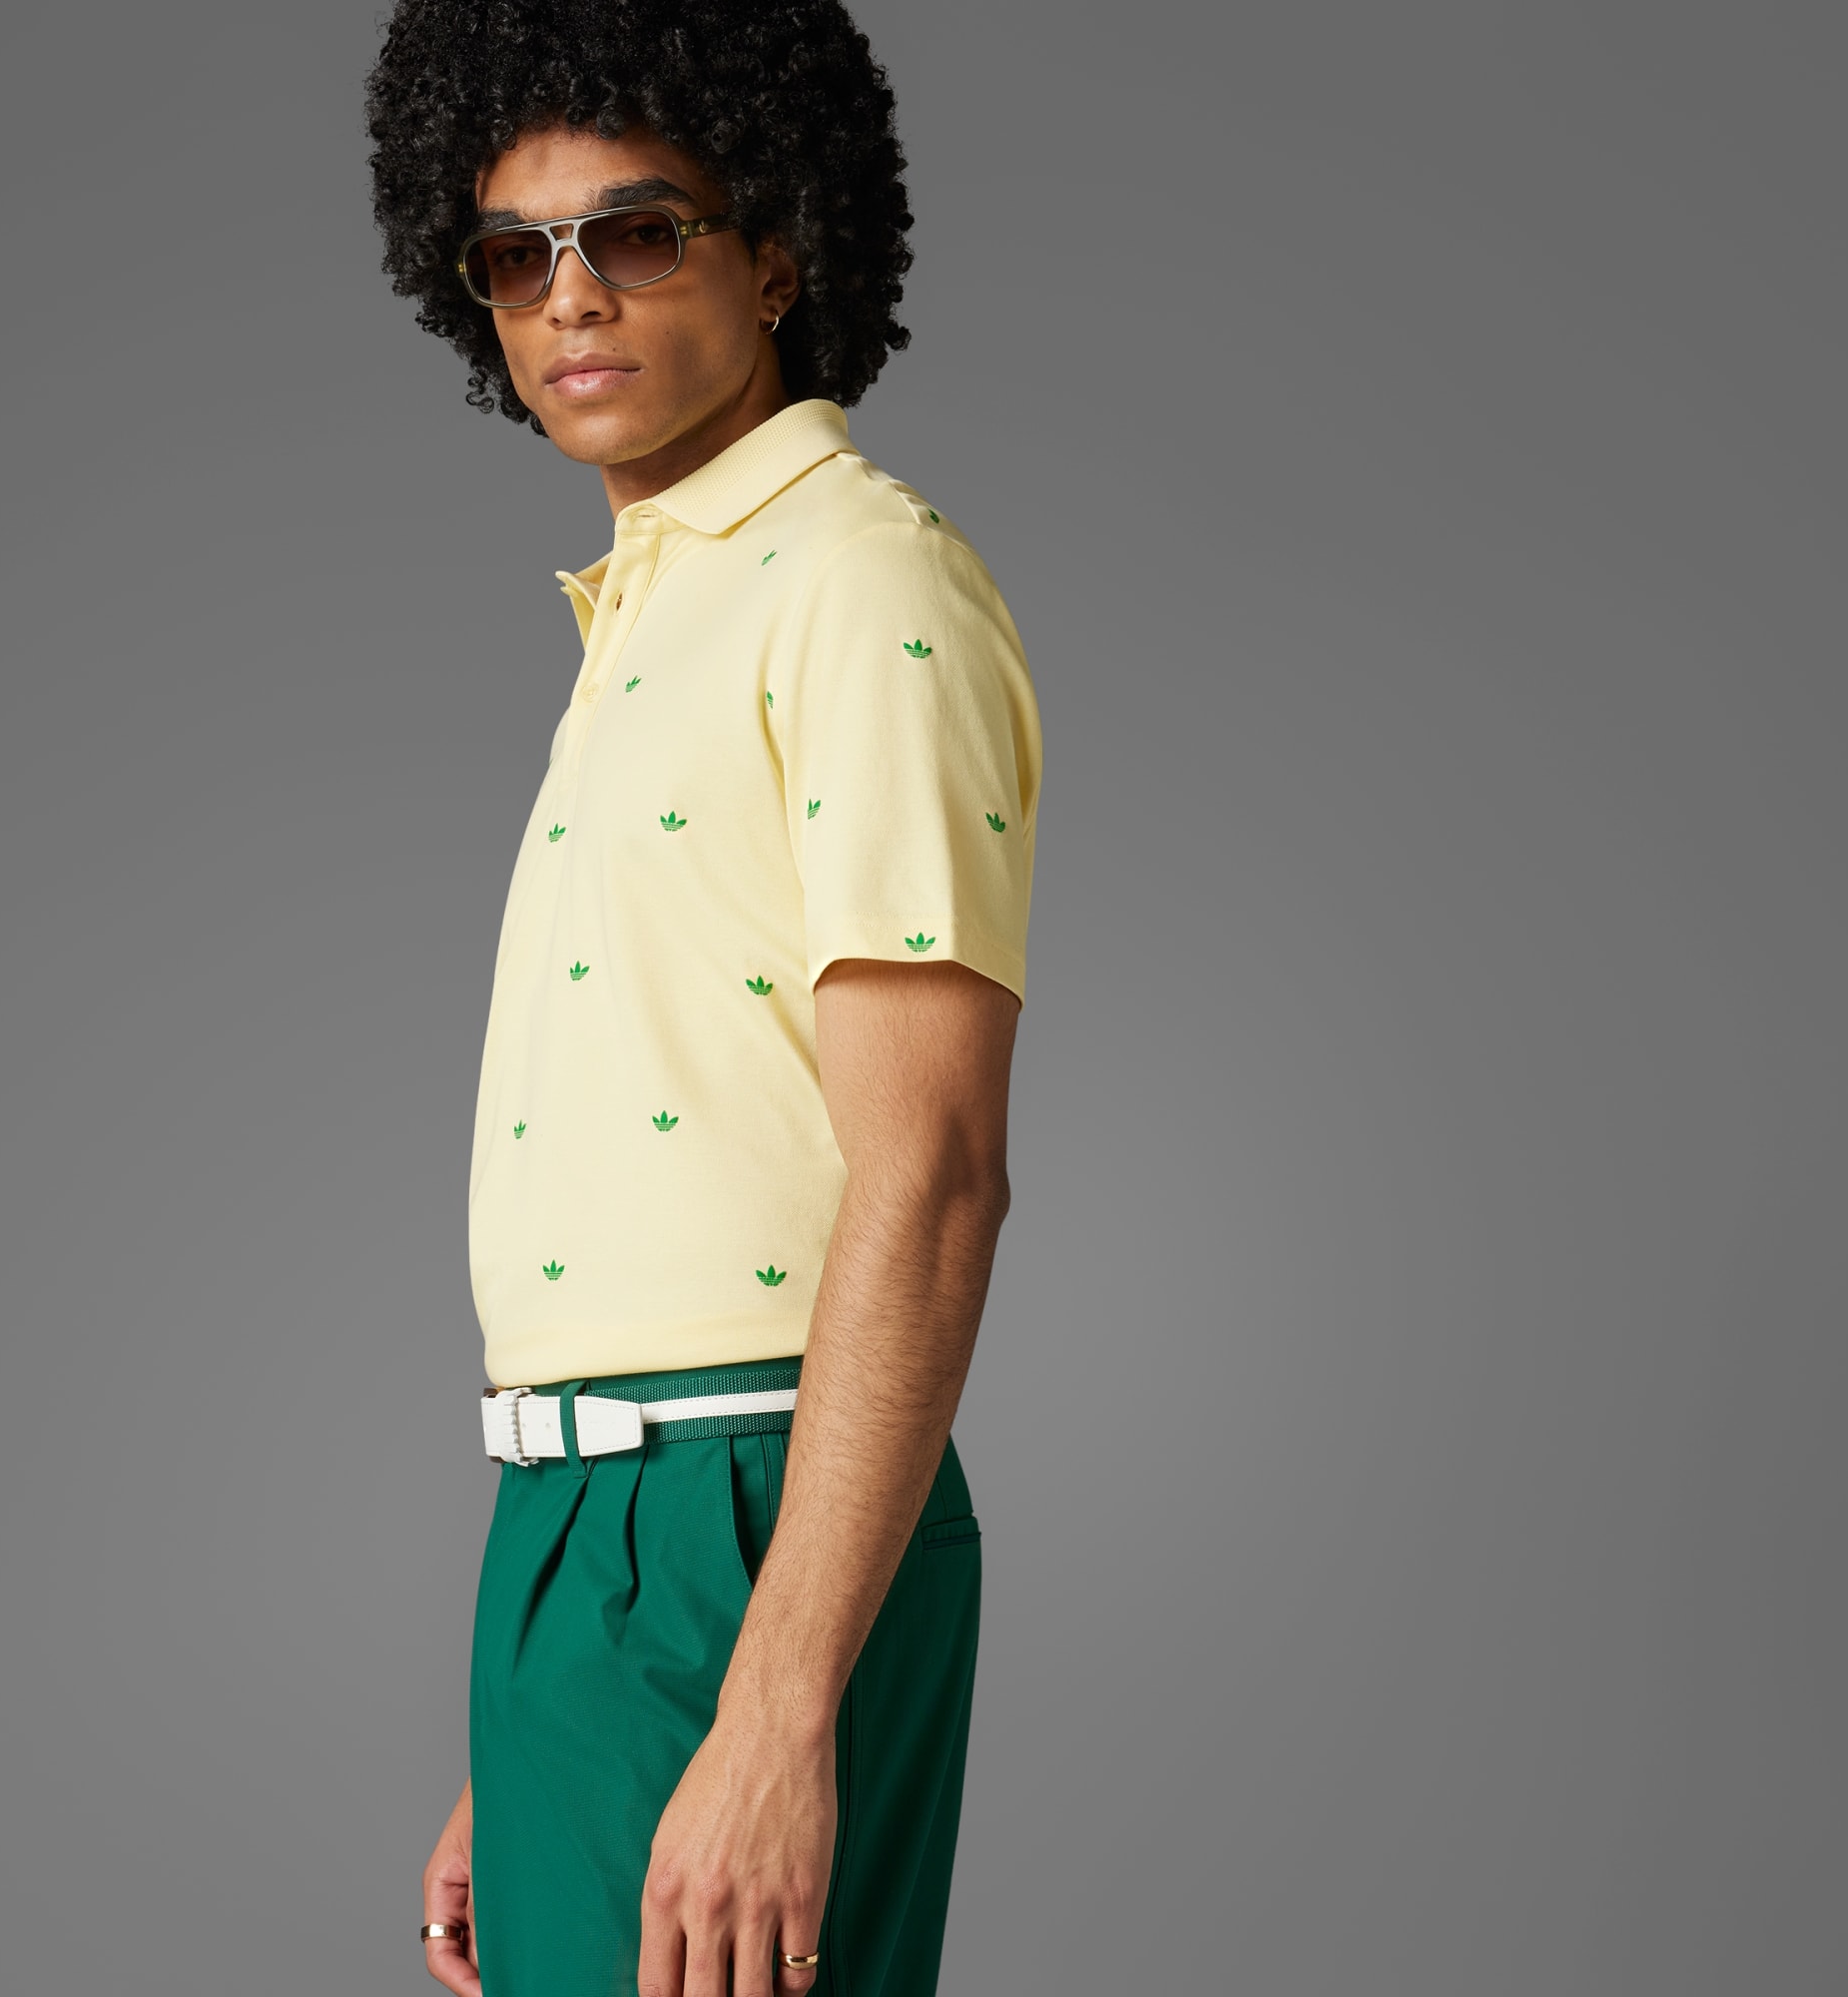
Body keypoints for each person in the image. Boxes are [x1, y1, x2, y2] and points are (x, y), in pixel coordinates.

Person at [365, 6, 1043, 1992]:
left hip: (744, 1499)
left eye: (640, 232)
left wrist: (773, 1710)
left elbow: (932, 1180)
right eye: (517, 254)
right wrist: (529, 1726)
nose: (570, 296)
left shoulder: (858, 584)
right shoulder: (661, 610)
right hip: (581, 1529)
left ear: (780, 250)